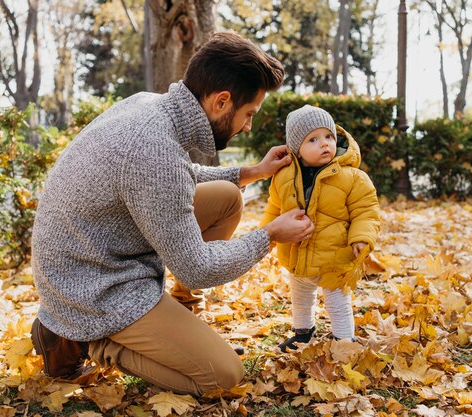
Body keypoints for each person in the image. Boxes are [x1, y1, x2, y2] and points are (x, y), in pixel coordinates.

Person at [30, 31, 315, 395]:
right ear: (221, 101)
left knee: (228, 197)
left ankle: (178, 321)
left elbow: (173, 179)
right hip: (91, 285)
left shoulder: (151, 106)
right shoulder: (155, 147)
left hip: (91, 251)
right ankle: (88, 338)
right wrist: (271, 236)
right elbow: (196, 268)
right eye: (248, 115)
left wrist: (249, 173)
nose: (248, 126)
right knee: (222, 376)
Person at [259, 105, 380, 351]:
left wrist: (361, 238)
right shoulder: (283, 176)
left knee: (337, 301)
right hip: (297, 253)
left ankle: (344, 340)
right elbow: (274, 207)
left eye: (328, 136)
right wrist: (266, 236)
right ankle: (303, 333)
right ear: (296, 149)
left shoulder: (353, 178)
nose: (324, 143)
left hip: (334, 256)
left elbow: (365, 211)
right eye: (312, 139)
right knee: (301, 298)